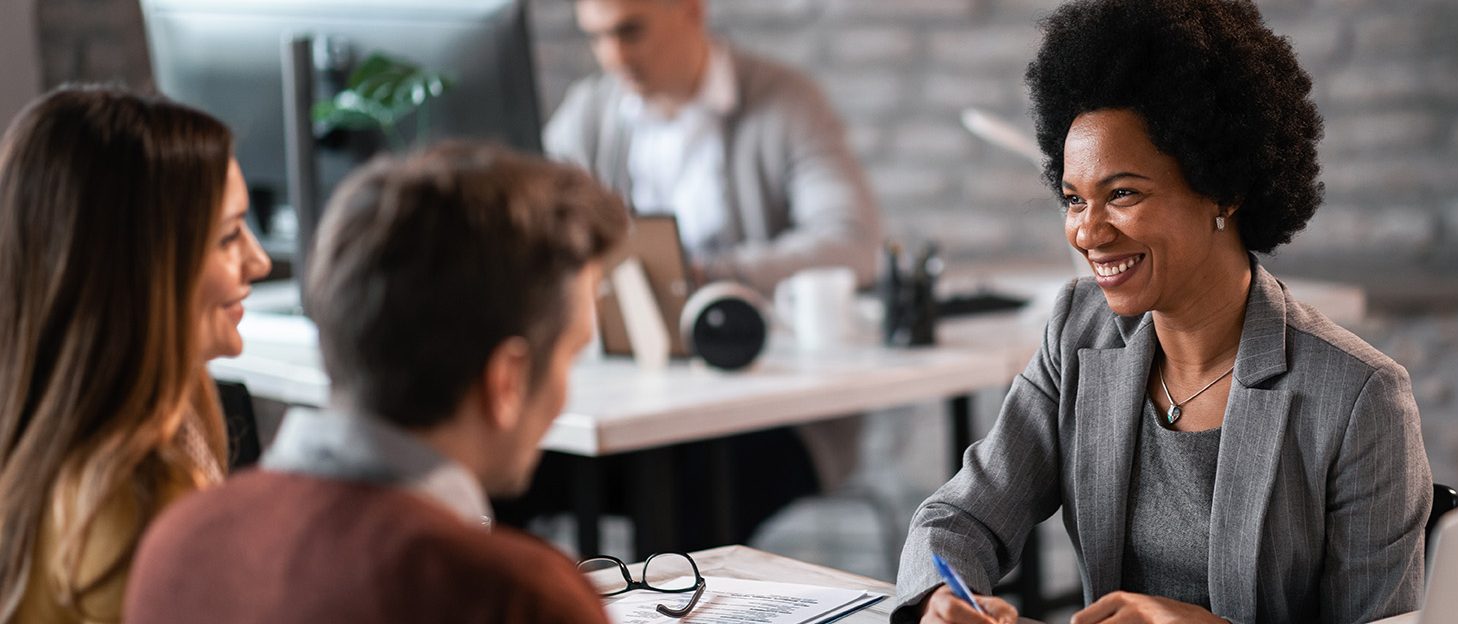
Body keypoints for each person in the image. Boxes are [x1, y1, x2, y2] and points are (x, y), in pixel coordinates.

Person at [894, 1, 1432, 623]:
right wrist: (942, 597)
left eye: (1122, 194)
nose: (1087, 233)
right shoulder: (1079, 332)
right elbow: (963, 514)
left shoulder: (1360, 397)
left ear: (1222, 189)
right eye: (1074, 199)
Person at [123, 142, 628, 623]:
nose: (566, 393)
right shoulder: (513, 597)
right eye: (571, 354)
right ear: (507, 380)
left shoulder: (177, 544)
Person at [504, 0, 882, 549]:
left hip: (767, 410)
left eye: (631, 32)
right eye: (598, 37)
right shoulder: (588, 113)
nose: (615, 57)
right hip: (632, 396)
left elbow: (851, 243)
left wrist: (699, 276)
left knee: (688, 511)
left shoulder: (784, 101)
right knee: (501, 477)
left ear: (691, 10)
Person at [0, 85, 270, 624]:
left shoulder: (74, 462)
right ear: (138, 273)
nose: (258, 262)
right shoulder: (137, 502)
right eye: (228, 237)